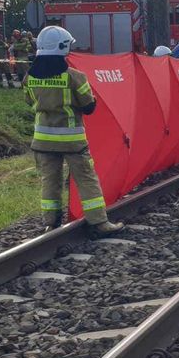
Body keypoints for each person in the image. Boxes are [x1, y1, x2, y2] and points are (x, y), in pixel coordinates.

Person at [24, 26, 124, 237]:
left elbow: (29, 101)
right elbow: (89, 106)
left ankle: (51, 223)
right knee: (86, 179)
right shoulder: (75, 77)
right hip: (72, 141)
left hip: (42, 141)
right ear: (62, 47)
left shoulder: (29, 77)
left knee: (50, 181)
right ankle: (99, 221)